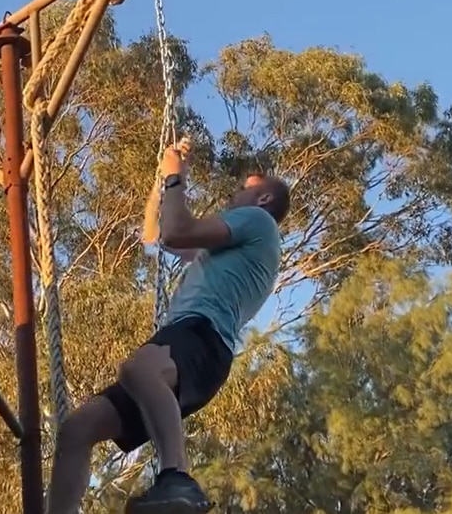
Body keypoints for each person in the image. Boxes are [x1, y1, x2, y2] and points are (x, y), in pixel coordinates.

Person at [45, 143, 290, 514]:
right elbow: (157, 234)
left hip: (203, 336)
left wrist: (177, 176)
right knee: (78, 430)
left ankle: (177, 478)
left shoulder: (259, 221)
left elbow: (178, 232)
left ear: (264, 197)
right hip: (189, 341)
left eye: (245, 187)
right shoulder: (227, 249)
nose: (234, 192)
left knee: (136, 370)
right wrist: (164, 178)